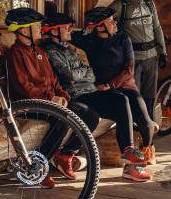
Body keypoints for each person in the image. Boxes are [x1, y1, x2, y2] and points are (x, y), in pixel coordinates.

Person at [41, 11, 151, 182]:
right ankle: (65, 155)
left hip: (91, 92)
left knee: (121, 99)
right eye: (67, 27)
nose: (70, 29)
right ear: (54, 31)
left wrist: (83, 73)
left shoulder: (68, 49)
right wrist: (83, 72)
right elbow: (69, 75)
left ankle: (128, 150)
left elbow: (90, 73)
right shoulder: (50, 51)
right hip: (76, 95)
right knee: (95, 113)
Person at [4, 7, 98, 188]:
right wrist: (50, 99)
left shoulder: (39, 51)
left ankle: (65, 155)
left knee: (90, 115)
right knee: (62, 117)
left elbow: (54, 80)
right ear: (24, 30)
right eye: (37, 26)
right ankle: (38, 167)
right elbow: (24, 87)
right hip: (29, 105)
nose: (41, 28)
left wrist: (62, 95)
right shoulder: (15, 53)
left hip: (49, 102)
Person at [73, 6, 157, 166]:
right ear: (99, 27)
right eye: (110, 21)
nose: (115, 23)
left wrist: (110, 84)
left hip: (126, 86)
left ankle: (148, 147)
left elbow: (129, 69)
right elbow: (70, 36)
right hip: (105, 93)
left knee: (145, 121)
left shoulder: (123, 39)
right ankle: (129, 157)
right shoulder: (90, 41)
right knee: (121, 105)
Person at [109, 0, 167, 120]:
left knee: (149, 97)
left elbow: (157, 28)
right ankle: (134, 130)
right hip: (133, 60)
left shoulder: (149, 4)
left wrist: (163, 52)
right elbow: (106, 29)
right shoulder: (119, 6)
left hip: (152, 58)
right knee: (135, 97)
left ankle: (147, 133)